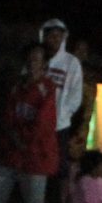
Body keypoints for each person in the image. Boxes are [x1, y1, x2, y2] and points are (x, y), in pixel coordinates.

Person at [0, 43, 61, 203]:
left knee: (33, 201)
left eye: (37, 59)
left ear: (44, 63)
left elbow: (43, 123)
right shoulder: (18, 87)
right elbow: (8, 115)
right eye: (30, 58)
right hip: (11, 150)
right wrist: (14, 136)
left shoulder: (47, 89)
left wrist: (23, 139)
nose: (32, 63)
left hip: (35, 153)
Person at [38, 18, 84, 149]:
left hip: (59, 126)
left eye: (58, 35)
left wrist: (62, 115)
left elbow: (75, 95)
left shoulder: (72, 62)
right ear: (44, 36)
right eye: (51, 35)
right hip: (35, 123)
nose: (55, 39)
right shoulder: (36, 58)